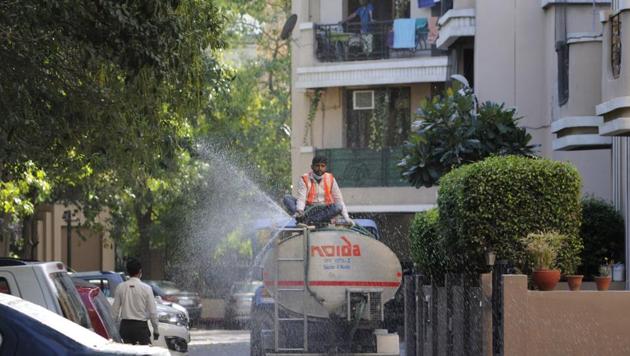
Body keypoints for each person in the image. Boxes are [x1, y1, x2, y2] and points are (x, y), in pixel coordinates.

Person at [284, 156, 353, 225]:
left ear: (325, 167)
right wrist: (300, 211)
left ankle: (308, 221)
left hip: (324, 210)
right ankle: (304, 218)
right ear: (312, 167)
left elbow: (339, 199)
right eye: (317, 166)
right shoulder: (304, 178)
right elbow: (301, 198)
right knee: (287, 198)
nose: (320, 168)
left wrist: (346, 218)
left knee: (338, 206)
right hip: (308, 209)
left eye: (322, 166)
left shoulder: (331, 178)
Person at [111, 258, 159, 345]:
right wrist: (156, 330)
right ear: (140, 271)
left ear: (128, 271)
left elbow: (114, 312)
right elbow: (153, 312)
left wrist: (112, 329)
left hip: (125, 327)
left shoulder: (120, 287)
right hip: (141, 328)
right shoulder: (147, 288)